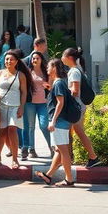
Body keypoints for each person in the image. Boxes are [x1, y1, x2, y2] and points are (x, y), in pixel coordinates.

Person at [35, 58, 74, 187]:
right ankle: (49, 175)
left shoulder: (58, 84)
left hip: (60, 122)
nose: (47, 69)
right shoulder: (58, 83)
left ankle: (69, 179)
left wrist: (53, 120)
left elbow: (60, 103)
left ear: (55, 68)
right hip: (62, 121)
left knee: (63, 151)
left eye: (49, 67)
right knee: (59, 150)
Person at [0, 49, 31, 170]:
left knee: (12, 130)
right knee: (2, 132)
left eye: (11, 59)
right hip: (1, 106)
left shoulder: (21, 75)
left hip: (15, 106)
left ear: (16, 61)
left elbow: (24, 92)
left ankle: (15, 159)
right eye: (6, 59)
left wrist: (22, 107)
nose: (8, 61)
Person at [62, 47, 101, 168]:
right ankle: (69, 157)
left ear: (69, 58)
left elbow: (74, 90)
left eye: (63, 56)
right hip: (79, 106)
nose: (61, 58)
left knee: (79, 132)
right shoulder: (77, 70)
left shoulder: (74, 71)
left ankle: (93, 157)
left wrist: (62, 93)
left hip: (76, 107)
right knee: (69, 132)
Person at [23, 50, 52, 159]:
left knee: (44, 125)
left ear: (41, 60)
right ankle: (32, 150)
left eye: (37, 58)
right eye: (33, 58)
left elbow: (51, 86)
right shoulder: (28, 71)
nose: (35, 60)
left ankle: (52, 148)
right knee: (31, 127)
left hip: (43, 103)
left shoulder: (46, 72)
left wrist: (48, 86)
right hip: (30, 103)